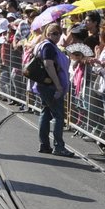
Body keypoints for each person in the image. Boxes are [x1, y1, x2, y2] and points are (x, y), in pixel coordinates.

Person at [31, 23, 68, 155]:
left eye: (59, 33)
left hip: (43, 85)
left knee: (46, 112)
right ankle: (59, 147)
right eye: (54, 33)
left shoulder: (44, 45)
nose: (57, 36)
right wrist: (58, 86)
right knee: (58, 115)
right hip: (50, 86)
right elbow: (48, 65)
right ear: (47, 34)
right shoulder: (48, 46)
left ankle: (45, 145)